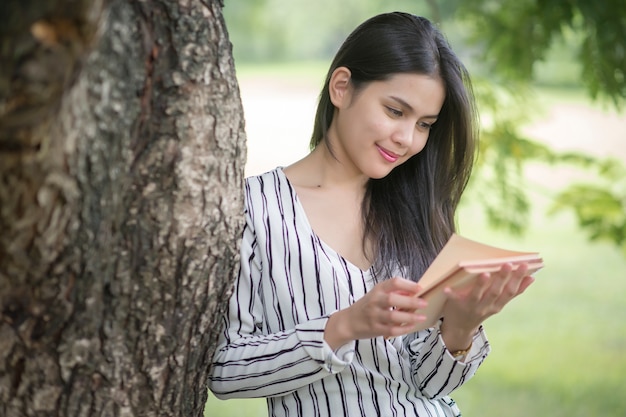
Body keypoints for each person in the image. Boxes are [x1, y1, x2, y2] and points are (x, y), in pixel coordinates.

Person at [208, 11, 535, 417]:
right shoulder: (253, 208)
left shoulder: (414, 209)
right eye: (396, 111)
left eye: (425, 124)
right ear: (342, 87)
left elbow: (429, 386)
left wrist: (461, 327)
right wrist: (345, 326)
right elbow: (225, 371)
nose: (408, 140)